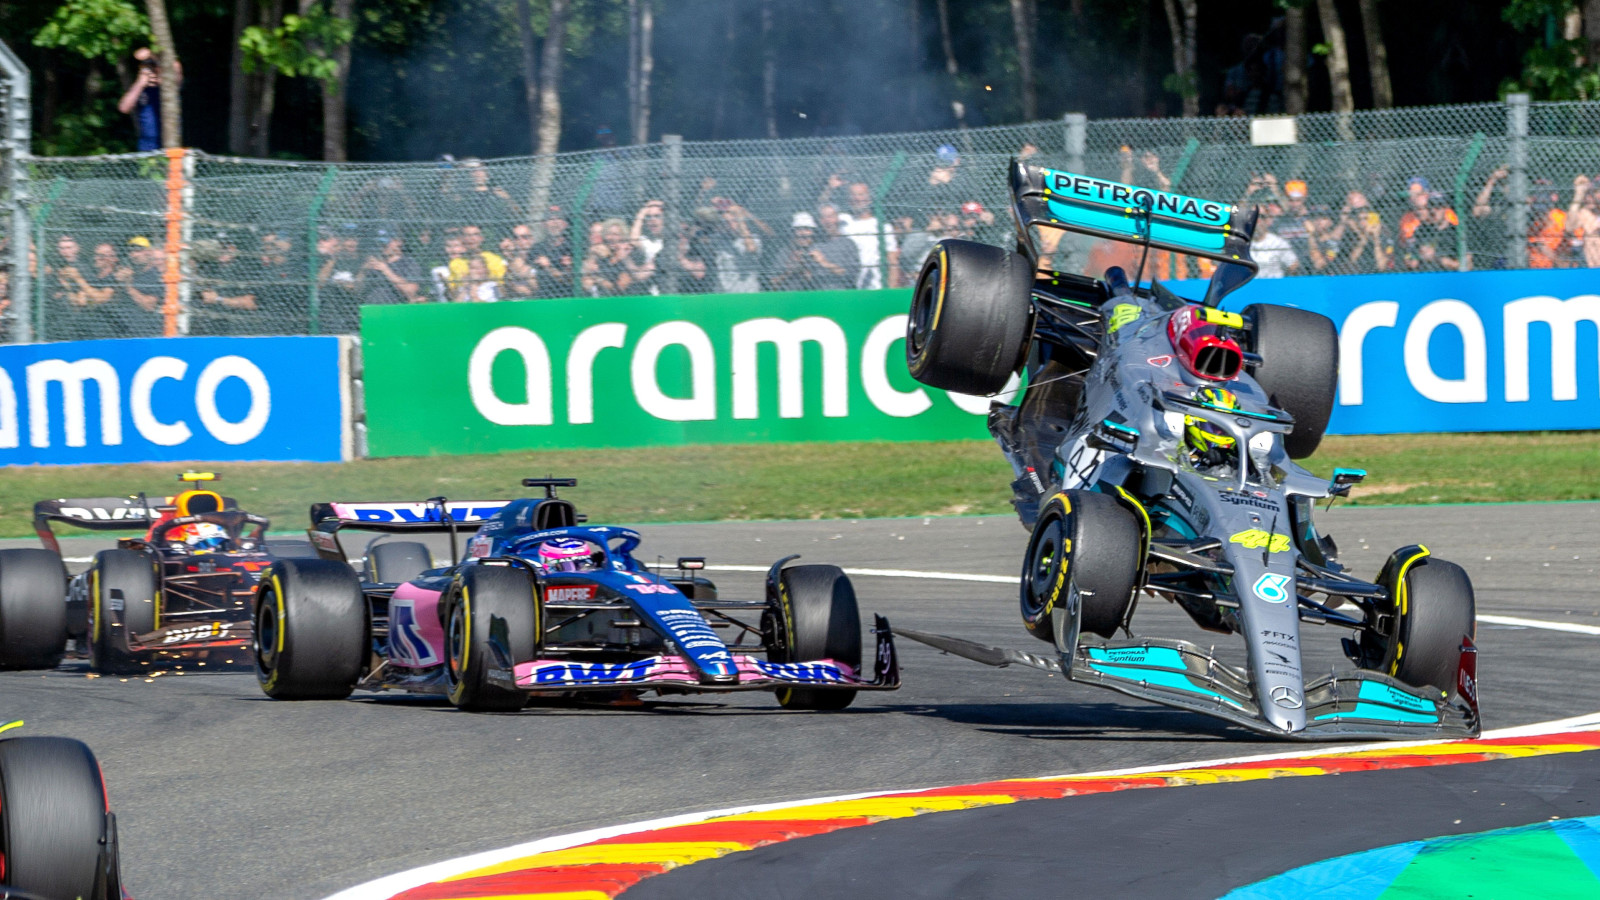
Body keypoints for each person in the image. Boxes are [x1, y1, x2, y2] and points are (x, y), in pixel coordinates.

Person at [769, 212, 854, 291]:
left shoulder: (820, 249)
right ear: (794, 232)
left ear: (813, 232)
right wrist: (791, 270)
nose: (803, 233)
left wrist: (823, 263)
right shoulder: (785, 252)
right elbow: (772, 283)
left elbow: (845, 273)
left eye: (806, 229)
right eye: (799, 229)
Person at [117, 48, 180, 151]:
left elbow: (176, 68)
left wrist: (151, 55)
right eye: (148, 67)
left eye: (154, 66)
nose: (152, 70)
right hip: (147, 148)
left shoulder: (169, 87)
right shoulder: (141, 88)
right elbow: (124, 108)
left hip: (169, 145)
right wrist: (140, 83)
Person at [359, 233, 425, 305]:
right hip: (372, 309)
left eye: (386, 242)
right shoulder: (373, 262)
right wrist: (363, 271)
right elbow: (358, 291)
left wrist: (386, 270)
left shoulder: (408, 263)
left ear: (398, 242)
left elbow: (411, 292)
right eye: (380, 243)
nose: (383, 246)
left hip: (395, 308)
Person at [1183, 387, 1241, 471]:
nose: (1219, 432)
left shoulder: (1239, 456)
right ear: (1191, 420)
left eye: (1224, 429)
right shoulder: (1175, 445)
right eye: (1214, 427)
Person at [532, 208, 574, 296]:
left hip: (567, 297)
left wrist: (548, 267)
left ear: (565, 224)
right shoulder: (537, 248)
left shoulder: (572, 247)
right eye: (550, 218)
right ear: (544, 224)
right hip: (542, 297)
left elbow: (569, 280)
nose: (554, 222)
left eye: (558, 218)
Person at [1250, 205, 1298, 278]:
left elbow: (1293, 265)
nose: (1257, 220)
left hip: (1273, 284)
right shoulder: (1242, 242)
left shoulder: (1278, 243)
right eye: (1252, 216)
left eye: (1261, 216)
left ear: (1267, 220)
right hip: (1249, 284)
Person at [1565, 175, 1600, 268]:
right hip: (1593, 268)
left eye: (1594, 193)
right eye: (1588, 193)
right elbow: (1569, 226)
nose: (1589, 198)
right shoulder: (1586, 213)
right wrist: (1578, 196)